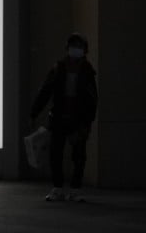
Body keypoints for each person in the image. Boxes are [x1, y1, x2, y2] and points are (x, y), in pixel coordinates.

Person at [30, 32, 98, 202]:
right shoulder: (58, 67)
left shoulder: (87, 70)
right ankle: (57, 188)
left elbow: (92, 97)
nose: (76, 50)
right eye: (74, 46)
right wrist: (34, 111)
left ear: (85, 50)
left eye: (79, 46)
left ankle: (75, 189)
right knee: (56, 153)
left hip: (79, 118)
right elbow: (45, 91)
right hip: (60, 116)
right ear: (67, 48)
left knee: (79, 154)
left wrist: (88, 121)